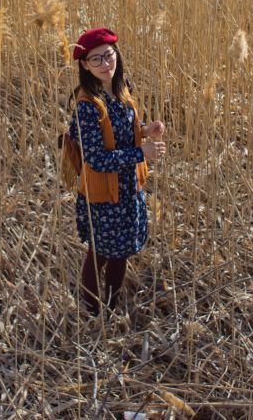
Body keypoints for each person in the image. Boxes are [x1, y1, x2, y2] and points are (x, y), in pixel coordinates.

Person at [67, 27, 167, 317]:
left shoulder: (123, 86)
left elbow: (125, 129)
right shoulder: (86, 106)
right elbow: (96, 158)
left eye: (108, 56)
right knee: (98, 253)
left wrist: (146, 129)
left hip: (128, 188)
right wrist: (141, 153)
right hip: (103, 193)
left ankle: (110, 308)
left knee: (121, 251)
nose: (105, 64)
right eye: (95, 60)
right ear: (85, 65)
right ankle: (92, 313)